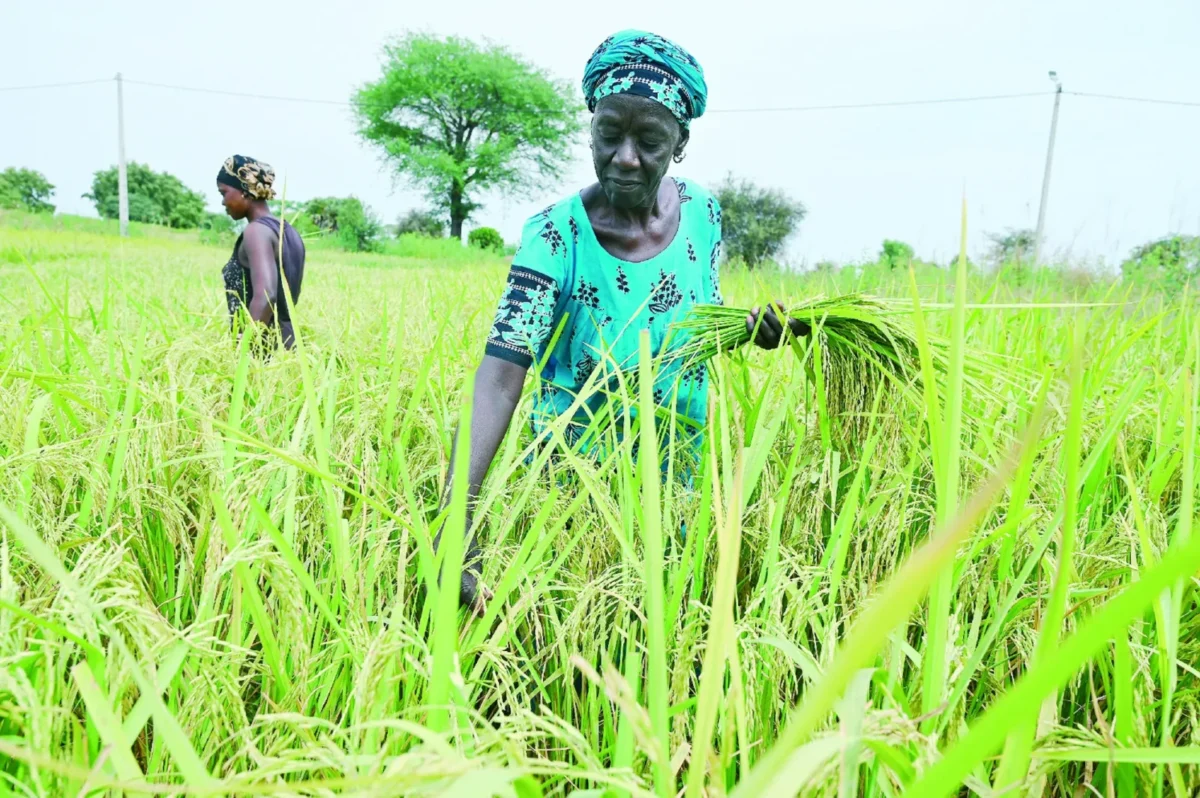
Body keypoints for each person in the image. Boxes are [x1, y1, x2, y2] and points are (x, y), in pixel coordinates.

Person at [439, 30, 807, 613]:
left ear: (680, 142)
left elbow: (690, 320)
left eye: (650, 140)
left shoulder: (704, 215)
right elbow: (500, 373)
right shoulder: (554, 237)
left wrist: (749, 326)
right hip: (573, 495)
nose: (626, 157)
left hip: (682, 481)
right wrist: (457, 519)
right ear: (591, 127)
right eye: (609, 135)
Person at [216, 155, 305, 349]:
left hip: (263, 352)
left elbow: (266, 296)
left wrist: (246, 346)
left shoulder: (256, 231)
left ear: (243, 190)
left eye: (224, 193)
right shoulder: (288, 231)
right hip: (289, 345)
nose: (223, 202)